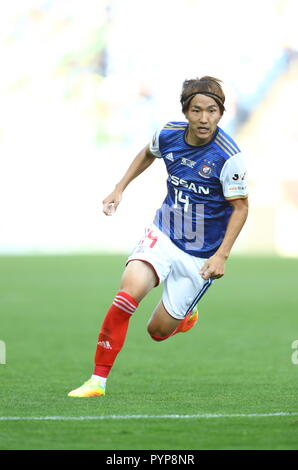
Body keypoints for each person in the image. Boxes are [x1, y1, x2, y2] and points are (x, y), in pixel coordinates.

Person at [68, 76, 248, 397]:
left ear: (221, 113)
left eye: (211, 111)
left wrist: (221, 255)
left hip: (200, 255)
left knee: (157, 332)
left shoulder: (229, 156)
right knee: (127, 295)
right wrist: (119, 188)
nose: (204, 119)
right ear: (185, 111)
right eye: (196, 110)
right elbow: (147, 153)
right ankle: (97, 381)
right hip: (163, 233)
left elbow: (240, 208)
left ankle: (186, 314)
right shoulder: (168, 134)